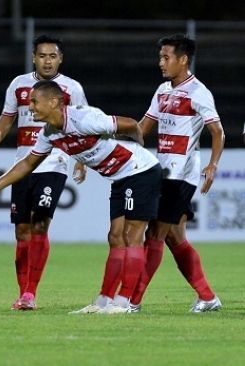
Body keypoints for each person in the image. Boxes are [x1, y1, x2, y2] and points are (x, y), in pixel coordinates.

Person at [0, 80, 162, 314]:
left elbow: (130, 124)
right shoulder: (49, 133)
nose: (29, 108)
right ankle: (103, 301)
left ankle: (125, 302)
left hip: (141, 171)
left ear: (53, 102)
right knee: (115, 237)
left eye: (34, 101)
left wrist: (139, 148)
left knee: (132, 236)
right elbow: (28, 163)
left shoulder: (85, 119)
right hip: (119, 178)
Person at [0, 35, 88, 311]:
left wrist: (81, 159)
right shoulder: (18, 85)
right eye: (42, 56)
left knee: (40, 223)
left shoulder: (71, 88)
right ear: (33, 58)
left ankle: (30, 293)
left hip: (54, 163)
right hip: (22, 163)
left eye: (53, 56)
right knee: (22, 231)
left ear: (60, 58)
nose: (47, 61)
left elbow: (85, 124)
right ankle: (22, 292)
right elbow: (6, 119)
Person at [127, 34, 224, 313]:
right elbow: (142, 128)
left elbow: (217, 131)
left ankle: (133, 301)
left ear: (183, 60)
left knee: (155, 234)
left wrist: (213, 165)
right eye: (160, 57)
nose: (161, 62)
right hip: (162, 172)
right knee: (174, 237)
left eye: (166, 57)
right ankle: (207, 297)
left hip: (182, 174)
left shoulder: (198, 93)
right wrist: (109, 136)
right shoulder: (162, 91)